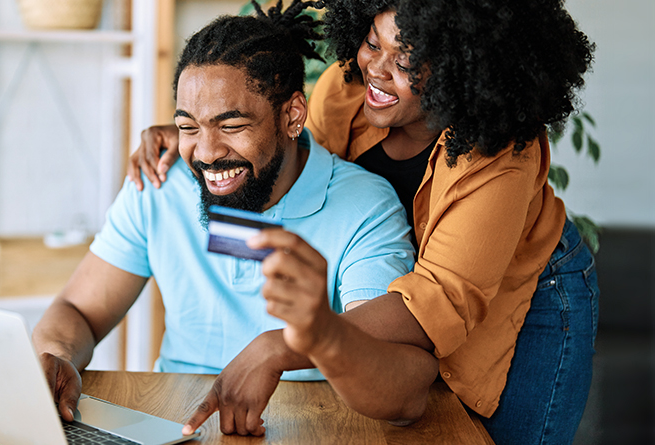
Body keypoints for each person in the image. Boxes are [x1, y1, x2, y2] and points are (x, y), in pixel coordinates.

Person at [127, 0, 599, 443]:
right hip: (409, 280)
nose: (376, 67)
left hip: (527, 293)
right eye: (373, 43)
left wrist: (282, 344)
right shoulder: (348, 89)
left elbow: (433, 306)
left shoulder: (502, 156)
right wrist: (206, 135)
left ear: (464, 66)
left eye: (407, 59)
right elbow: (293, 164)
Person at [32, 0, 416, 438]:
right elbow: (78, 308)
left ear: (292, 115)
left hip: (307, 427)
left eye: (231, 126)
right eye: (189, 126)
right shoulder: (162, 181)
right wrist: (57, 355)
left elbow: (403, 393)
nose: (207, 153)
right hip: (173, 424)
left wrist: (317, 335)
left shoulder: (365, 206)